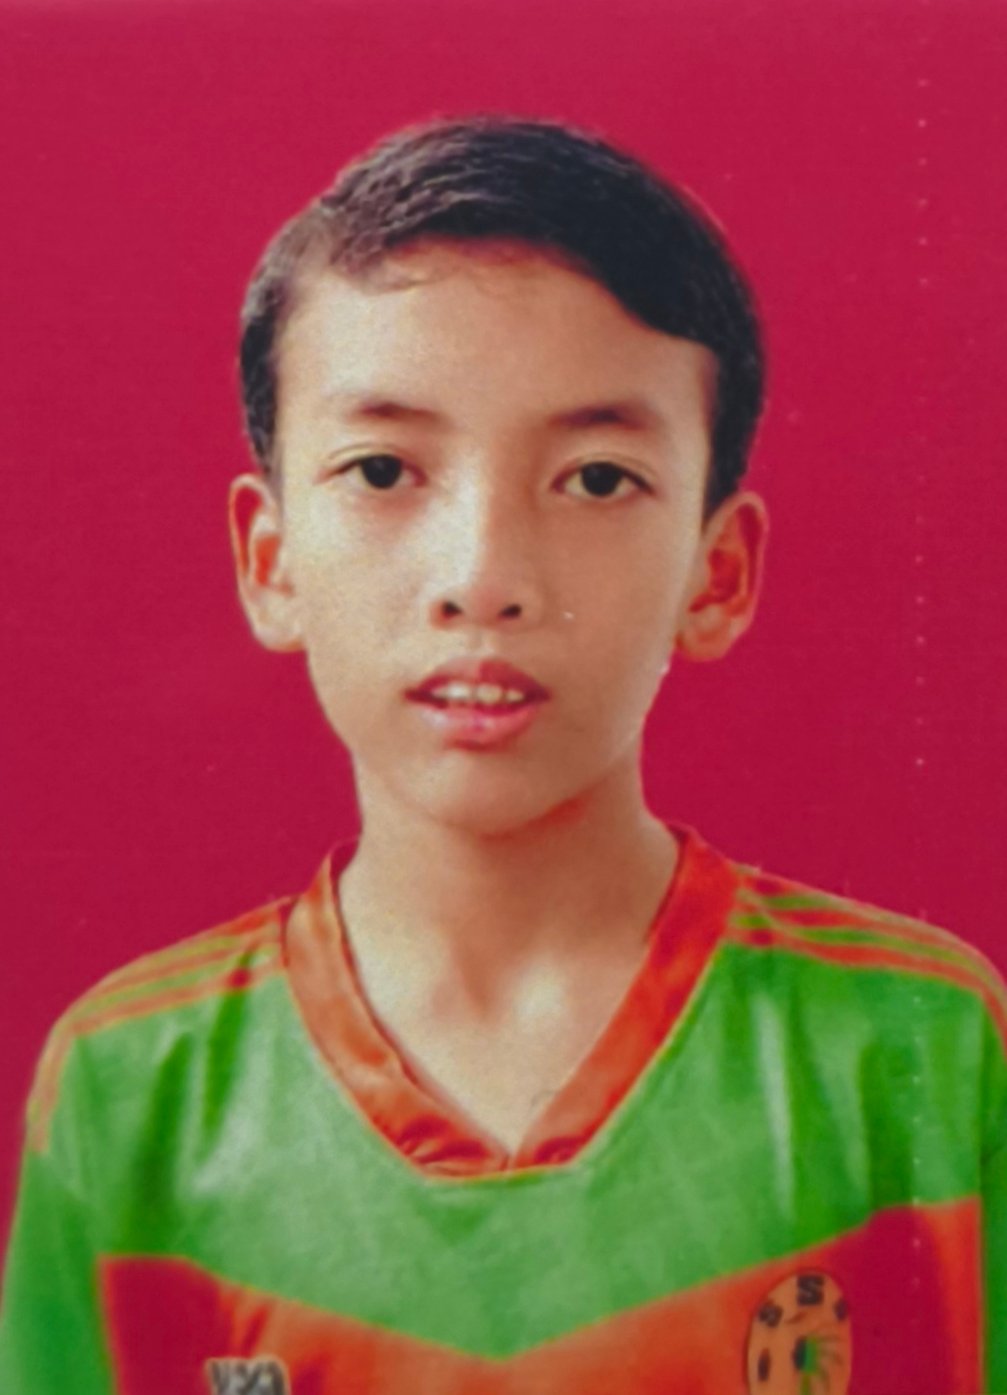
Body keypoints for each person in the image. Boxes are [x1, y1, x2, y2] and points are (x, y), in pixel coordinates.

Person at [1, 115, 1004, 1395]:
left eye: (596, 479)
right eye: (382, 469)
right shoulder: (130, 1089)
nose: (482, 577)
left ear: (716, 572)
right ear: (270, 560)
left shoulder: (919, 1048)